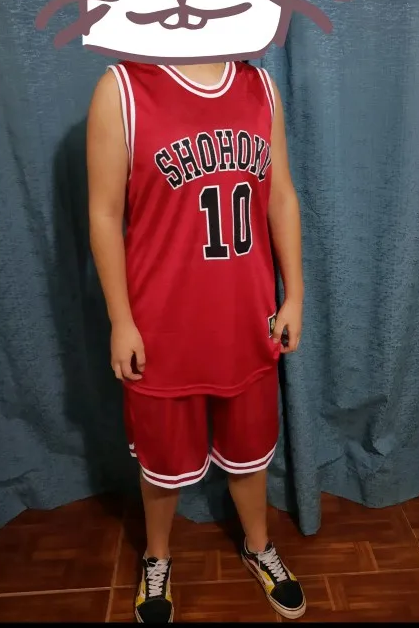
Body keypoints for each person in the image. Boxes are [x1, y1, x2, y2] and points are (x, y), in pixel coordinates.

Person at [87, 60, 305, 623]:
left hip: (245, 317)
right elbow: (104, 214)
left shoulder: (260, 87)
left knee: (250, 452)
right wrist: (120, 319)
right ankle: (157, 557)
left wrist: (295, 294)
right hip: (162, 325)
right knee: (161, 460)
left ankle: (258, 545)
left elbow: (280, 195)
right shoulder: (122, 88)